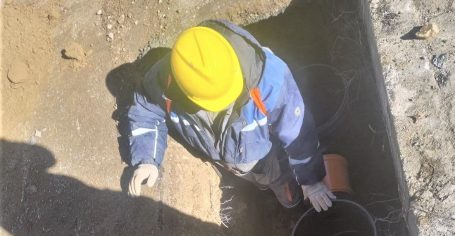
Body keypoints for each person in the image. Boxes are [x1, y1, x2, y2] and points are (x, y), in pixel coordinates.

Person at [126, 20, 335, 212]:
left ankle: (292, 201)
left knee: (280, 183)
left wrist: (310, 181)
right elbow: (145, 112)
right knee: (259, 181)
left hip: (266, 158)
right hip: (231, 162)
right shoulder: (166, 81)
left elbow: (298, 133)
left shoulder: (270, 81)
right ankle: (264, 191)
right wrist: (148, 159)